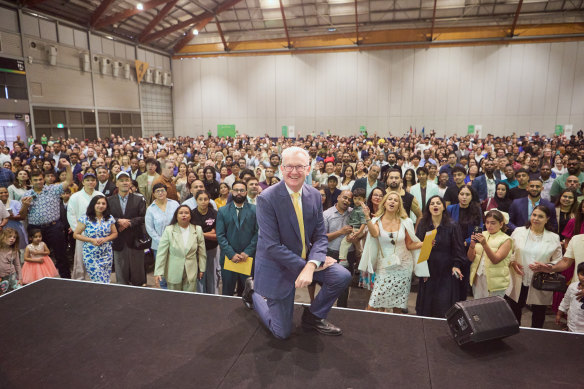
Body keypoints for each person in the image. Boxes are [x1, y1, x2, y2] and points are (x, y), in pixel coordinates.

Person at [242, 146, 351, 339]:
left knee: (341, 276)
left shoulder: (315, 195)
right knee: (281, 333)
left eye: (299, 167)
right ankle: (253, 291)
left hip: (306, 260)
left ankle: (313, 317)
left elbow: (319, 235)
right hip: (278, 266)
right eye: (289, 167)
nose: (294, 172)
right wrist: (309, 267)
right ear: (281, 169)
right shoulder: (267, 199)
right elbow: (272, 246)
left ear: (308, 169)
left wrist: (312, 262)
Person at [360, 191, 422, 312]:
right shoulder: (376, 221)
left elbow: (409, 244)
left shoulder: (406, 221)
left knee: (398, 304)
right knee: (375, 300)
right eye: (390, 199)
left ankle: (395, 329)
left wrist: (425, 243)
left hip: (404, 265)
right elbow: (374, 233)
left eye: (396, 200)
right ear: (384, 203)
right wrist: (367, 217)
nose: (392, 201)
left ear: (399, 205)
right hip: (385, 265)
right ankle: (367, 327)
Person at [506, 205, 562, 328]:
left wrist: (547, 266)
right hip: (519, 276)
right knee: (515, 308)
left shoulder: (554, 237)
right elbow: (508, 252)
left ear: (547, 219)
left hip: (541, 279)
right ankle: (516, 335)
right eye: (534, 215)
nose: (536, 218)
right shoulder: (518, 231)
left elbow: (558, 260)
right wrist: (513, 262)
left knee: (539, 312)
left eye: (540, 216)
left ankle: (536, 336)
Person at [415, 195, 467, 318]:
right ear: (428, 207)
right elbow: (417, 248)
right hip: (428, 269)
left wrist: (456, 265)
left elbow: (458, 249)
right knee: (427, 306)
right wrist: (422, 270)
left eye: (438, 203)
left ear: (444, 207)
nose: (435, 205)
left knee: (443, 305)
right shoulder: (423, 224)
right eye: (432, 203)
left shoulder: (452, 225)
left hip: (446, 270)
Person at [20, 160, 73, 279]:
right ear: (31, 181)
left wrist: (68, 167)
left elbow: (69, 181)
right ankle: (40, 280)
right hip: (35, 229)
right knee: (37, 257)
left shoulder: (53, 189)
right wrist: (25, 205)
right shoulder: (26, 195)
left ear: (43, 179)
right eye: (35, 180)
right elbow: (22, 215)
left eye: (40, 179)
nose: (38, 182)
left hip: (54, 227)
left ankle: (67, 280)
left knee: (61, 255)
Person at [216, 180, 258, 296]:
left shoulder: (255, 210)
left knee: (247, 292)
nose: (238, 193)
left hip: (247, 259)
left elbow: (258, 233)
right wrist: (231, 254)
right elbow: (220, 235)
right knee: (227, 292)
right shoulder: (222, 211)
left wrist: (247, 252)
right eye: (236, 190)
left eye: (241, 190)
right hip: (229, 258)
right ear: (231, 192)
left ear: (246, 192)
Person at [154, 205, 206, 292]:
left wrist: (202, 268)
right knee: (174, 299)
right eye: (181, 213)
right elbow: (161, 253)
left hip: (191, 271)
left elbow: (202, 252)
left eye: (186, 213)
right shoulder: (169, 230)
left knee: (189, 299)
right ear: (176, 216)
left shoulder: (198, 229)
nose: (184, 215)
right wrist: (158, 271)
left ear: (190, 216)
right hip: (173, 270)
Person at [108, 171, 147, 286]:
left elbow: (143, 217)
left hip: (135, 240)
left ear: (130, 183)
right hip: (118, 239)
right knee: (121, 275)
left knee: (138, 274)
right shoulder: (109, 200)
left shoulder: (139, 199)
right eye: (121, 180)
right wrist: (118, 221)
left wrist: (129, 222)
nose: (124, 182)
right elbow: (107, 217)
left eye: (127, 180)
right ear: (116, 183)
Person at [322, 189, 357, 307]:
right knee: (330, 283)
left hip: (348, 254)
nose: (347, 201)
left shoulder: (353, 212)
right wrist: (340, 232)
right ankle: (325, 307)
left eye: (349, 200)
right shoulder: (327, 214)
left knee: (345, 284)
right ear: (338, 197)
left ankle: (342, 309)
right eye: (345, 198)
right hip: (332, 253)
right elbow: (323, 237)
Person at [72, 196, 118, 284]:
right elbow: (76, 234)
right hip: (91, 255)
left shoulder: (109, 218)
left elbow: (115, 233)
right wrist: (91, 240)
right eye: (98, 203)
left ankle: (103, 296)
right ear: (93, 204)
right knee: (99, 280)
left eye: (103, 203)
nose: (101, 205)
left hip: (106, 254)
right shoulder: (85, 218)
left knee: (106, 280)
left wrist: (105, 239)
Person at [467, 210, 513, 298]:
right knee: (478, 306)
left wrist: (484, 244)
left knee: (492, 309)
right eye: (487, 222)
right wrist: (472, 246)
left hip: (496, 281)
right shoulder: (482, 234)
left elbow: (495, 260)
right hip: (478, 277)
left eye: (493, 223)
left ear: (501, 224)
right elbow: (470, 258)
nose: (489, 226)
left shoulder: (506, 239)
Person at [67, 172, 103, 280]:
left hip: (98, 235)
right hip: (82, 235)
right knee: (80, 260)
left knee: (98, 259)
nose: (90, 182)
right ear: (82, 182)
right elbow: (71, 214)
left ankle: (98, 280)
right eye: (87, 180)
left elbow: (105, 213)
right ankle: (79, 281)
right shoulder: (75, 196)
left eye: (92, 180)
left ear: (96, 182)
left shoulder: (100, 195)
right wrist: (77, 232)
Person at [145, 183, 180, 288]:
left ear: (166, 191)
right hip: (159, 246)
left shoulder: (174, 204)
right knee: (162, 272)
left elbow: (180, 221)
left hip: (176, 243)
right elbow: (149, 229)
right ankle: (164, 292)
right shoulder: (151, 209)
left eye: (162, 190)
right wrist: (162, 242)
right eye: (157, 191)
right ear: (154, 194)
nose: (160, 193)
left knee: (175, 270)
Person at [191, 190, 219, 294]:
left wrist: (201, 234)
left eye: (206, 199)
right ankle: (200, 296)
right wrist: (209, 233)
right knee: (199, 274)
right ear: (196, 200)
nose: (203, 201)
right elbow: (191, 234)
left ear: (209, 200)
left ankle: (212, 296)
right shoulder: (191, 214)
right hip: (196, 250)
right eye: (200, 199)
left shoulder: (215, 214)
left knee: (211, 274)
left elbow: (217, 236)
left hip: (211, 249)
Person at [337, 188, 367, 267]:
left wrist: (359, 232)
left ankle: (343, 260)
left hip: (358, 229)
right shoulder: (355, 208)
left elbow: (364, 222)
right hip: (354, 228)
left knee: (345, 241)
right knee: (355, 246)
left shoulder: (362, 210)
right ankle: (352, 262)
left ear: (364, 199)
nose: (357, 201)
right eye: (355, 198)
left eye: (359, 199)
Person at [556, 262, 584, 333]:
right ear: (577, 274)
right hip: (572, 326)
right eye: (582, 274)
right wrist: (559, 314)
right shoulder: (572, 287)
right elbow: (565, 301)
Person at [0, 228, 21, 294]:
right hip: (1, 276)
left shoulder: (14, 251)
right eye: (9, 236)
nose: (12, 239)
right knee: (2, 293)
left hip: (11, 275)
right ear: (3, 237)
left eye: (14, 237)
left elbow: (17, 265)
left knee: (12, 291)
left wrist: (20, 278)